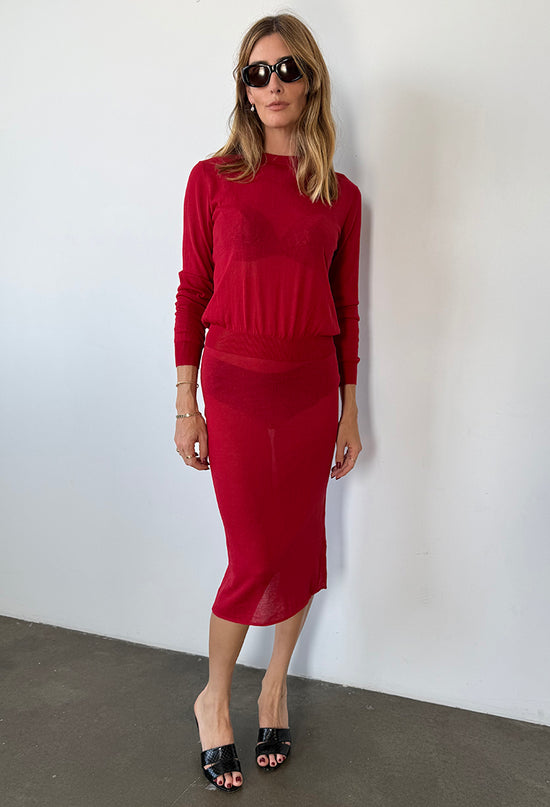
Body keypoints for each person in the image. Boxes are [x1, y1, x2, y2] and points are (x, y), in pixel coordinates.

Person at [174, 12, 362, 793]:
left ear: (309, 80)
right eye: (257, 72)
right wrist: (187, 402)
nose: (273, 83)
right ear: (244, 91)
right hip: (239, 386)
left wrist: (351, 410)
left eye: (287, 69)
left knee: (300, 549)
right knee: (254, 556)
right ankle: (213, 696)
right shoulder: (211, 178)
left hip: (312, 388)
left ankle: (275, 681)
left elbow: (347, 310)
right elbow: (192, 292)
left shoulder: (340, 194)